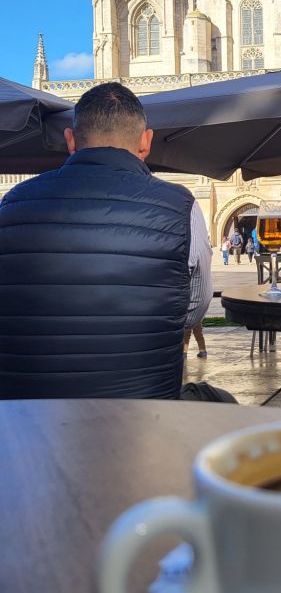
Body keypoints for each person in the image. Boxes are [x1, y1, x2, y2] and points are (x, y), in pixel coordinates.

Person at [0, 82, 213, 399]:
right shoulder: (182, 207)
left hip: (28, 423)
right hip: (143, 416)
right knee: (217, 401)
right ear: (146, 142)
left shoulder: (12, 203)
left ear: (70, 141)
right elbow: (193, 310)